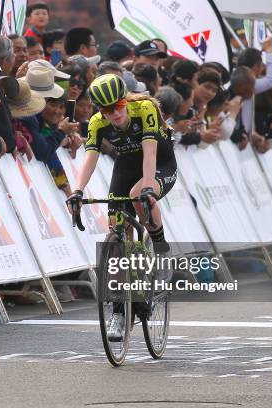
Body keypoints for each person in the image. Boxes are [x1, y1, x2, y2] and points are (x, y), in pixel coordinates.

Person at [67, 74, 176, 341]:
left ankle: (160, 249)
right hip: (126, 167)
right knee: (116, 233)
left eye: (117, 105)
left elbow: (150, 152)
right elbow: (89, 159)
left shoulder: (145, 109)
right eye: (106, 109)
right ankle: (119, 312)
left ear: (125, 100)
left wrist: (149, 187)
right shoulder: (96, 123)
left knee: (139, 194)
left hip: (159, 162)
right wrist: (77, 192)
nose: (113, 113)